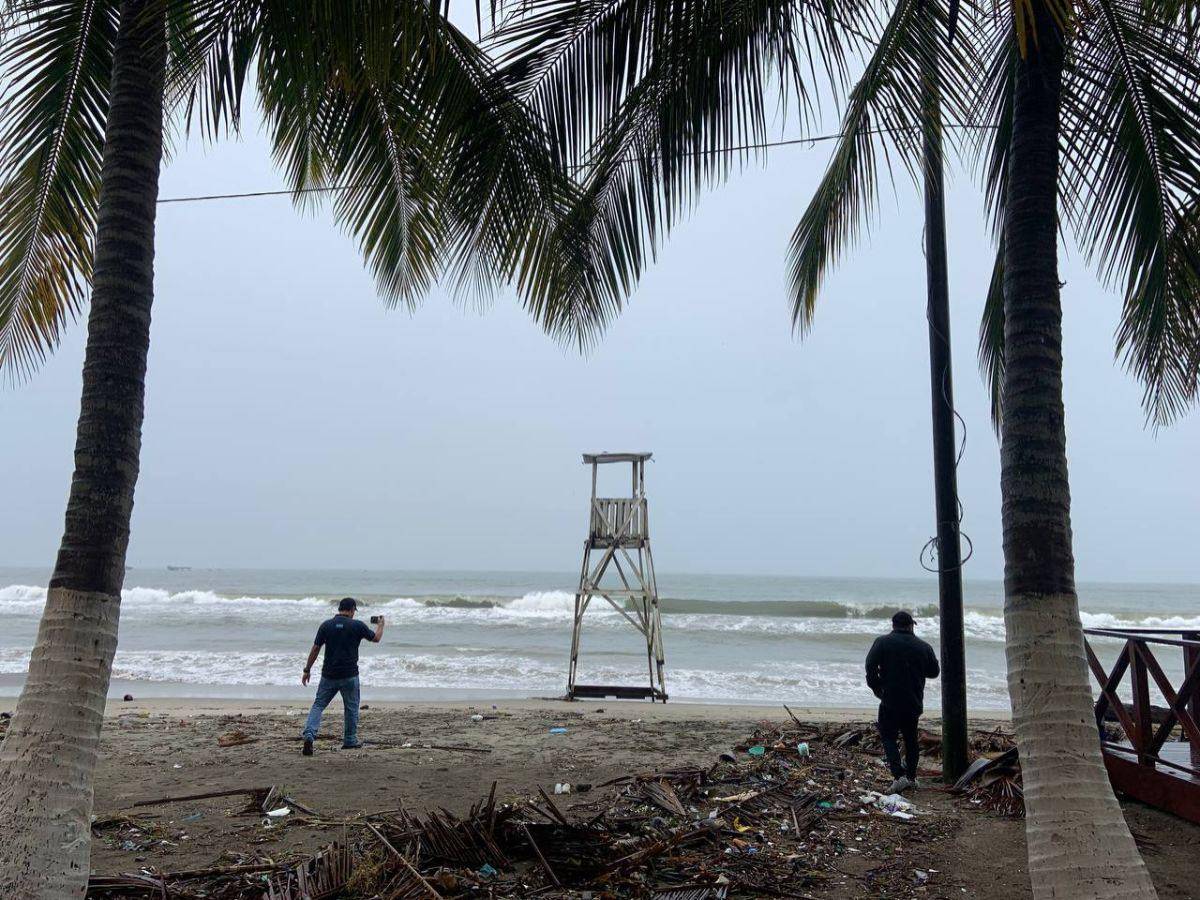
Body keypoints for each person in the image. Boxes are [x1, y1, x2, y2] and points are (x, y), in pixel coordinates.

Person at [865, 610, 940, 793]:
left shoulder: (882, 642)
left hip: (889, 698)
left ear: (893, 625)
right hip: (913, 700)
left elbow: (870, 665)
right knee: (910, 739)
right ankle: (912, 777)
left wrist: (876, 687)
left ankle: (898, 776)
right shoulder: (923, 646)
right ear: (910, 625)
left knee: (888, 736)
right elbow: (934, 672)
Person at [301, 597, 384, 755]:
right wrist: (381, 625)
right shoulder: (357, 625)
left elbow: (315, 649)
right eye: (354, 611)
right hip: (349, 675)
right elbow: (376, 639)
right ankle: (350, 740)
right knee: (351, 708)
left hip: (329, 674)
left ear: (339, 609)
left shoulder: (326, 625)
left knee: (318, 705)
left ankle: (309, 735)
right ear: (352, 610)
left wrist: (307, 670)